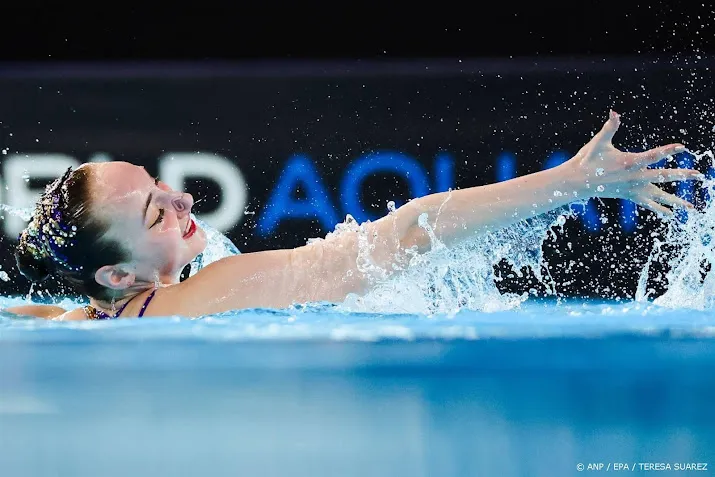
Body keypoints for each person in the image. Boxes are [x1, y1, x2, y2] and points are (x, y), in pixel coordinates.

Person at [4, 112, 702, 320]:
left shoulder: (87, 318)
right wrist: (566, 182)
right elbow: (393, 241)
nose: (184, 200)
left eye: (162, 184)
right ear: (119, 271)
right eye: (158, 212)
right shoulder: (197, 296)